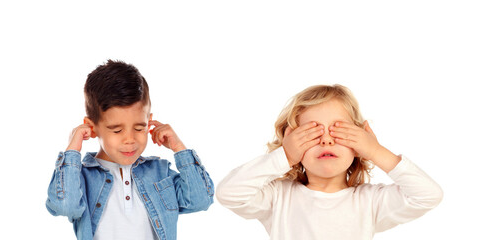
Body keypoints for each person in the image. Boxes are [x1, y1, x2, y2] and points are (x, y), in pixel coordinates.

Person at [216, 84, 443, 240]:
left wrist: (374, 150)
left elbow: (428, 195)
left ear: (359, 143)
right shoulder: (279, 197)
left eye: (339, 131)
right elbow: (229, 193)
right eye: (312, 133)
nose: (326, 140)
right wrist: (285, 155)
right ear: (291, 140)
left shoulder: (370, 201)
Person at [46, 60, 214, 240]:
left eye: (139, 128)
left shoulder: (159, 171)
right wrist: (73, 150)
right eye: (117, 130)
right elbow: (65, 205)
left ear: (149, 121)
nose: (130, 139)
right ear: (92, 128)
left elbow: (200, 200)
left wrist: (179, 148)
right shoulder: (82, 177)